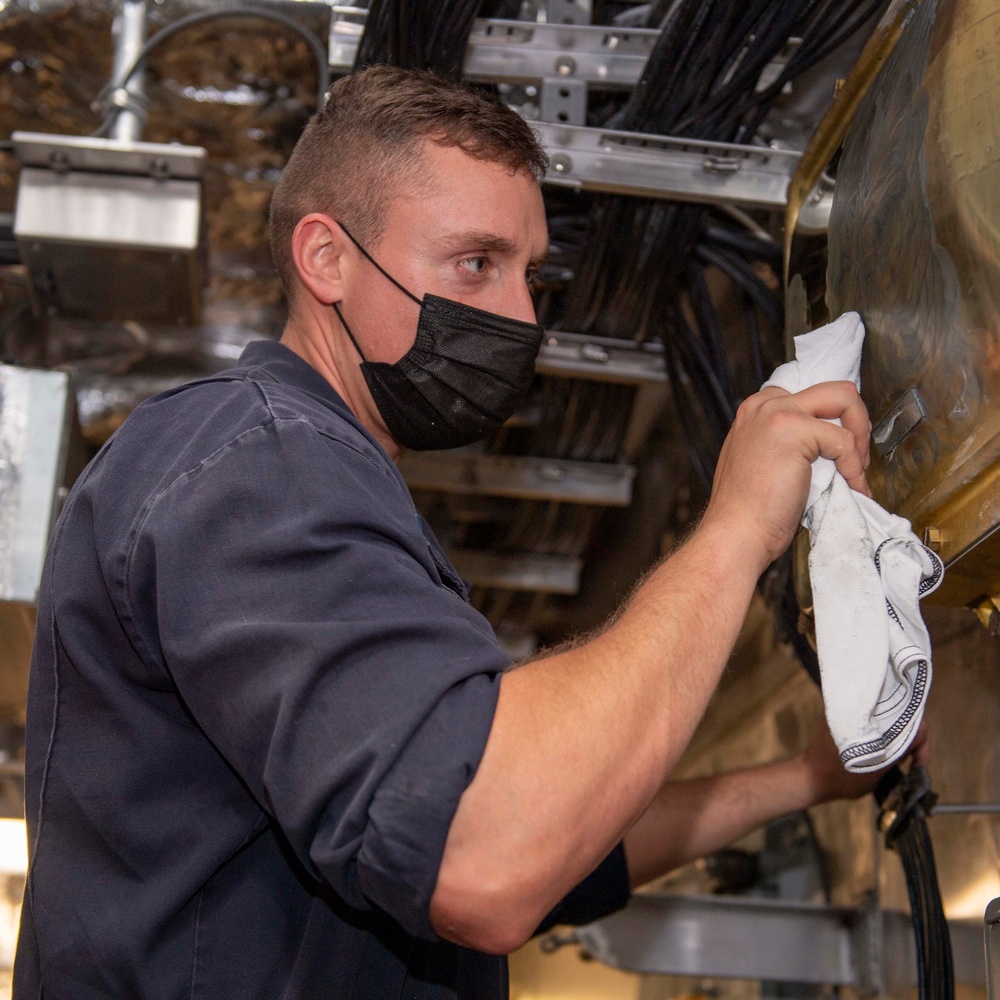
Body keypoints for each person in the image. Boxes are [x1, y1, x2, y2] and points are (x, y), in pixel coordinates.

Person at [14, 66, 908, 999]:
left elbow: (544, 836)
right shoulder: (256, 463)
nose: (522, 317)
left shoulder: (317, 483)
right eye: (476, 263)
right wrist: (733, 526)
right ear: (327, 258)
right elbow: (483, 853)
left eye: (531, 277)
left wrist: (808, 776)